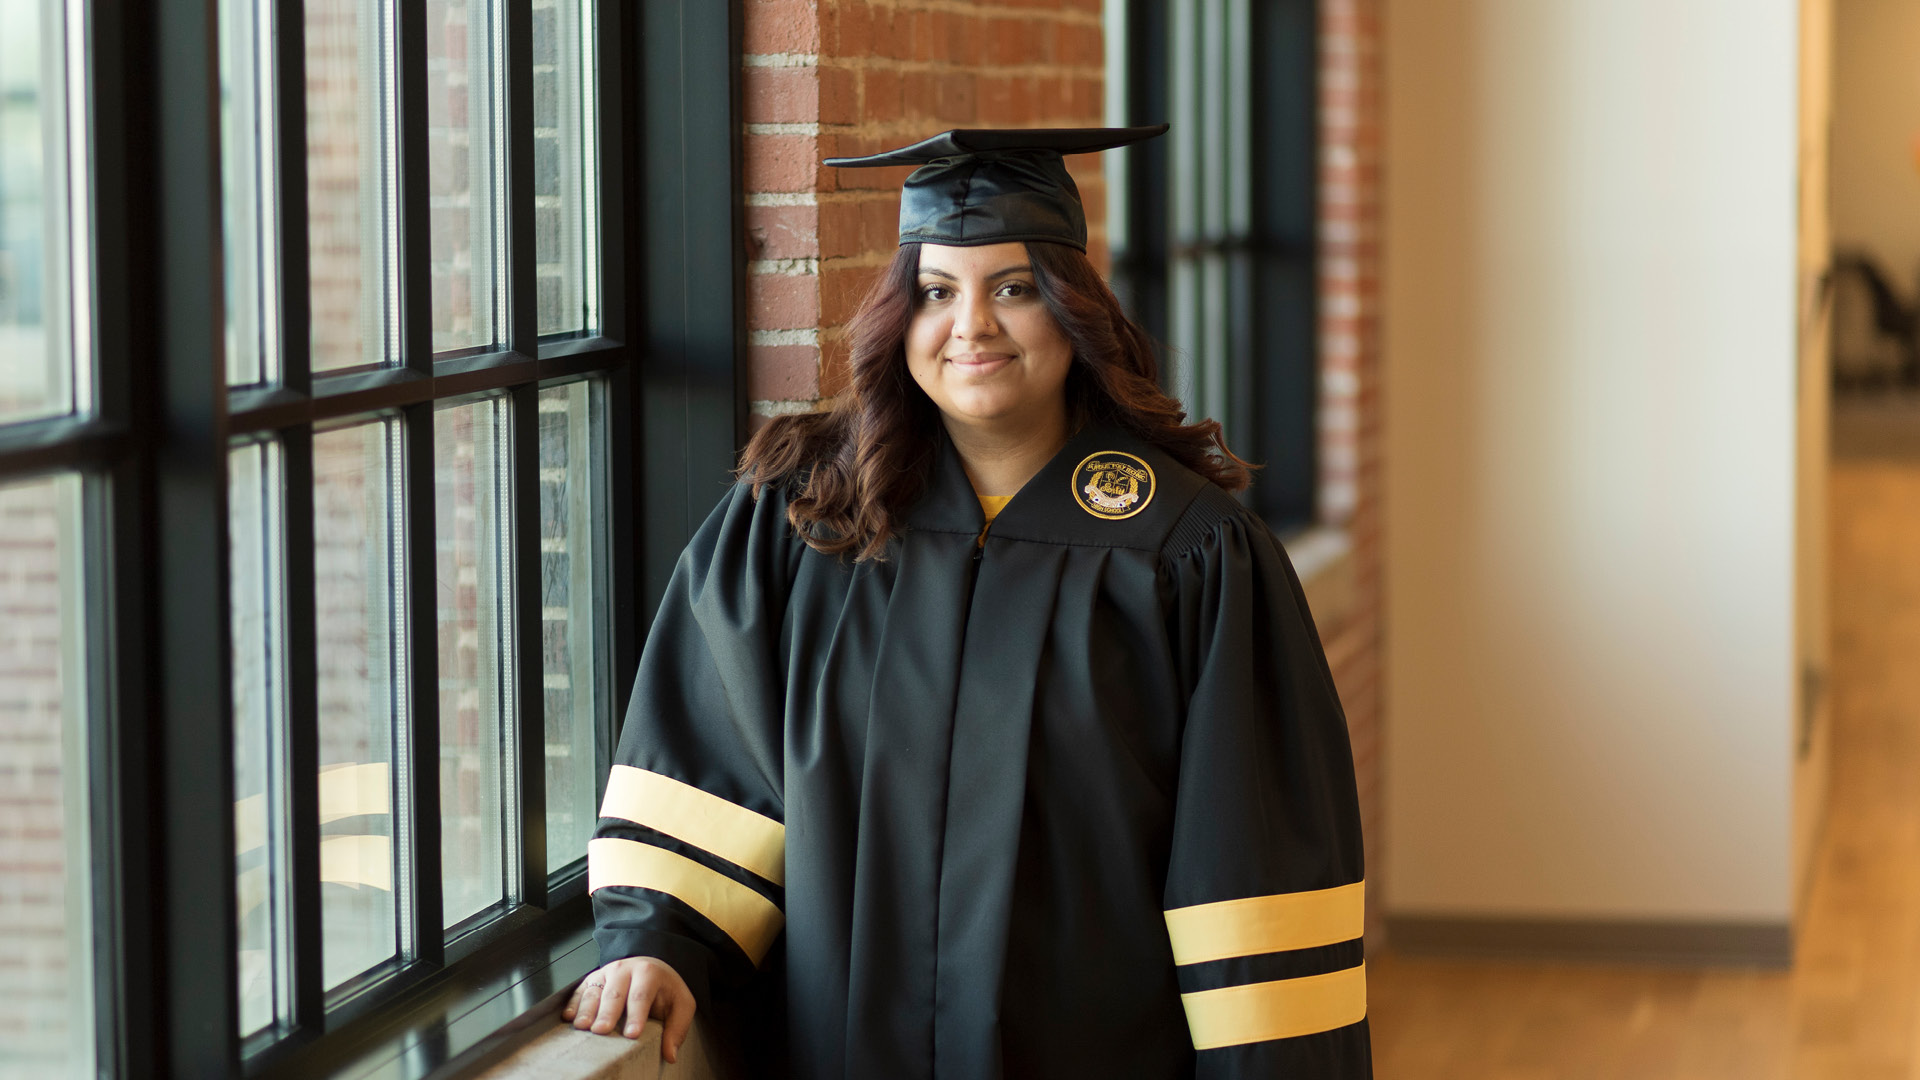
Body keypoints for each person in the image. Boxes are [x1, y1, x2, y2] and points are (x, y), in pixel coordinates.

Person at [560, 126, 1372, 1079]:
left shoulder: (1185, 551)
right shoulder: (804, 521)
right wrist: (657, 938)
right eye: (938, 292)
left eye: (1014, 288)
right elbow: (704, 754)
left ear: (1074, 312)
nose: (971, 327)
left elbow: (1253, 861)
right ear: (899, 318)